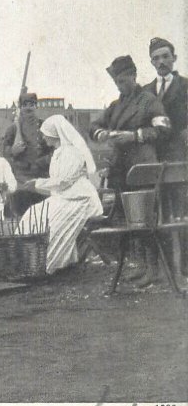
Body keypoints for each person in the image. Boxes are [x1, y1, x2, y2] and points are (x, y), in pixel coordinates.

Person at [90, 55, 169, 288]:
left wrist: (135, 136)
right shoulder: (116, 105)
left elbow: (164, 129)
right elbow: (93, 126)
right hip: (121, 171)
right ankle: (143, 265)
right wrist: (101, 134)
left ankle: (154, 270)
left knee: (144, 220)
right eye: (117, 83)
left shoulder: (148, 100)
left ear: (134, 76)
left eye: (123, 81)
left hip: (143, 168)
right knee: (129, 221)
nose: (120, 86)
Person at [18, 115, 103, 274]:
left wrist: (37, 183)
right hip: (66, 197)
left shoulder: (72, 152)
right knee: (34, 213)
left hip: (80, 200)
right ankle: (28, 261)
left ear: (54, 134)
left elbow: (64, 181)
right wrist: (37, 184)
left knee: (52, 220)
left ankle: (47, 264)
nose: (43, 137)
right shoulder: (59, 152)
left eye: (45, 134)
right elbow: (58, 181)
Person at [144, 37, 188, 278]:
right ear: (151, 62)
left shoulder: (186, 87)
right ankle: (165, 269)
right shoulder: (145, 92)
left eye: (165, 56)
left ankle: (186, 268)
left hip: (181, 161)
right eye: (156, 58)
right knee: (157, 214)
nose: (161, 61)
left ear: (174, 58)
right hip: (153, 162)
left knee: (184, 213)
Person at [1, 92, 53, 216]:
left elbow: (54, 150)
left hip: (41, 177)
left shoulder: (45, 126)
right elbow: (3, 151)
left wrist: (43, 161)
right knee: (21, 214)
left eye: (32, 104)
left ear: (36, 107)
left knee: (42, 214)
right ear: (21, 108)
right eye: (25, 105)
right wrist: (12, 151)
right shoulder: (13, 129)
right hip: (21, 179)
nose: (29, 108)